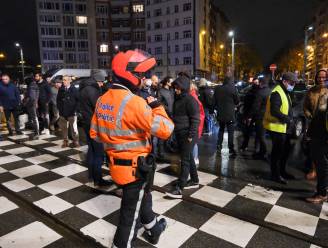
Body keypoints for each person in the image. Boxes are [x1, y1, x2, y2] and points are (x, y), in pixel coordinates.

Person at [90, 50, 174, 247]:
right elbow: (166, 129)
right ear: (128, 74)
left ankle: (153, 229)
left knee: (142, 200)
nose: (142, 78)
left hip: (115, 166)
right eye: (140, 74)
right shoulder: (135, 102)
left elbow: (94, 133)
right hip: (135, 169)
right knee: (128, 215)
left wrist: (117, 138)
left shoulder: (103, 100)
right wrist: (157, 106)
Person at [166, 75, 200, 199]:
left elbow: (196, 119)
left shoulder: (191, 101)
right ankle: (195, 180)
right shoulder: (178, 98)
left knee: (184, 160)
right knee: (189, 158)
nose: (176, 90)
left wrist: (191, 135)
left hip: (188, 134)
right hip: (180, 133)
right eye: (175, 87)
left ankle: (180, 187)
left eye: (178, 88)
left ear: (184, 88)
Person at [263, 72, 297, 184]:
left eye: (294, 83)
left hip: (283, 128)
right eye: (292, 83)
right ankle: (275, 175)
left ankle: (282, 171)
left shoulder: (285, 91)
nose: (293, 85)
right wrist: (288, 119)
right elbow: (274, 111)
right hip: (277, 127)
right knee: (277, 153)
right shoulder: (277, 92)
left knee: (285, 151)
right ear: (284, 81)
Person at [80, 69, 111, 187]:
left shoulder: (84, 87)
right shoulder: (92, 90)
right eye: (101, 81)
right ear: (97, 79)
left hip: (86, 123)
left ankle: (92, 176)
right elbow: (99, 108)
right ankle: (98, 180)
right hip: (94, 125)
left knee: (92, 151)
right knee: (98, 153)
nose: (102, 84)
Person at [304, 69, 328, 203]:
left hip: (323, 134)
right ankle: (322, 190)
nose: (321, 79)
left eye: (324, 77)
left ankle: (322, 193)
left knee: (322, 163)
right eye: (319, 77)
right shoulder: (311, 91)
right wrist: (309, 116)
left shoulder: (326, 93)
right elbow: (306, 108)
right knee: (320, 162)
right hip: (316, 131)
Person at [214, 75, 239, 157]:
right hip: (230, 114)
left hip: (221, 113)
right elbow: (237, 101)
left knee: (221, 130)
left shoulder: (218, 89)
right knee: (230, 132)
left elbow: (214, 101)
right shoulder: (233, 89)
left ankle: (218, 146)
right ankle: (231, 149)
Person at [249, 75, 271, 159]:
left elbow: (255, 106)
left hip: (260, 116)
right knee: (261, 134)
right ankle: (258, 151)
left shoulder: (260, 92)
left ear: (261, 83)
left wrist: (250, 116)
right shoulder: (270, 91)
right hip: (267, 116)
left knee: (260, 135)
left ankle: (263, 152)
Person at [57, 75, 80, 148]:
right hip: (62, 113)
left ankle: (76, 141)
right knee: (64, 128)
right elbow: (58, 100)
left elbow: (78, 101)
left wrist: (75, 110)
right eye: (63, 80)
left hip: (72, 113)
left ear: (70, 81)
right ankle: (65, 141)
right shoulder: (61, 89)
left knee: (74, 128)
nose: (64, 81)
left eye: (65, 80)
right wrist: (60, 109)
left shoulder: (74, 89)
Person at [239, 77, 260, 151]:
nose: (256, 84)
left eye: (257, 82)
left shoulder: (260, 92)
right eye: (255, 82)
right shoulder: (250, 92)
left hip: (257, 115)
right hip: (250, 115)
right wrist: (246, 116)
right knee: (247, 131)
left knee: (257, 132)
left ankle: (255, 147)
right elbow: (246, 105)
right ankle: (246, 145)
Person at [156, 76, 174, 160]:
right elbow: (159, 102)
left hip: (171, 114)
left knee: (169, 132)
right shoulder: (160, 91)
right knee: (161, 133)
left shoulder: (171, 91)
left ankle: (168, 147)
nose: (172, 83)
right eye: (171, 81)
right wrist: (166, 108)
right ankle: (160, 152)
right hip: (164, 114)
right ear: (167, 82)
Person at [190, 81, 205, 166]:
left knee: (193, 141)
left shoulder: (192, 98)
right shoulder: (194, 96)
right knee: (194, 141)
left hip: (195, 122)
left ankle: (195, 158)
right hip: (197, 122)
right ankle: (194, 158)